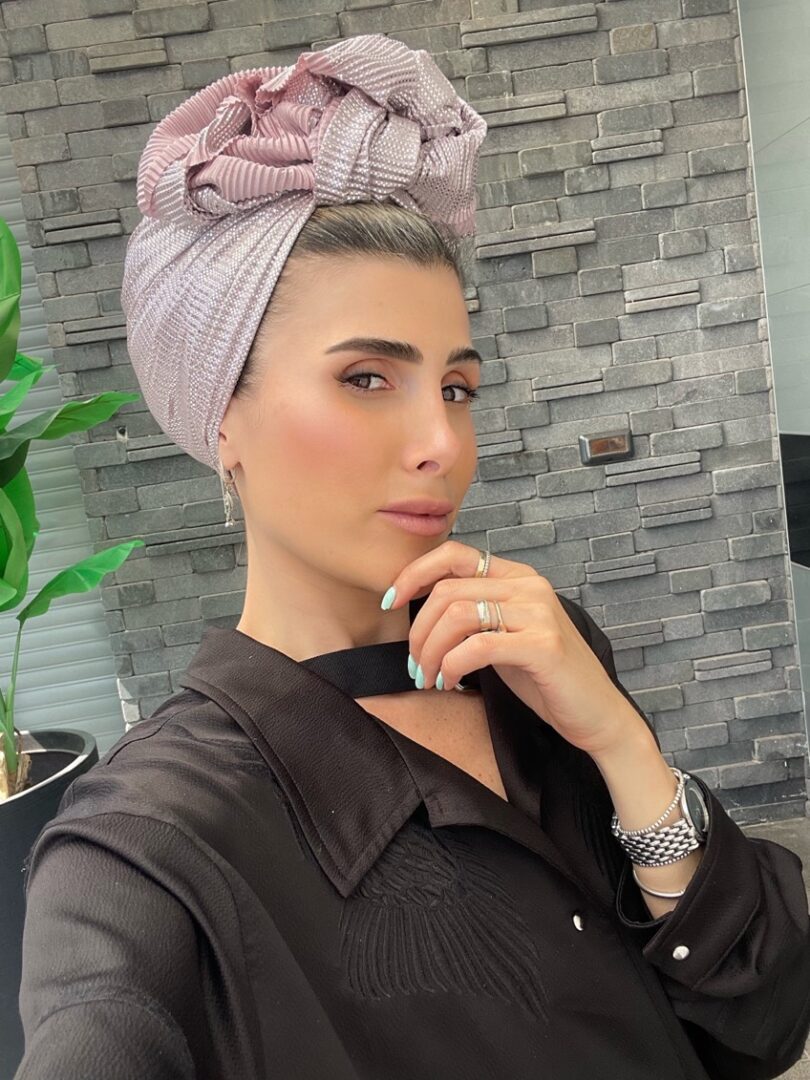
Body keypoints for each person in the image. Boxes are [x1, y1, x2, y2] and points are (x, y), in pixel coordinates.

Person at [14, 32, 810, 1080]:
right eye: (366, 379)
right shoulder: (150, 849)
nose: (442, 441)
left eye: (457, 387)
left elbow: (767, 1018)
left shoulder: (538, 654)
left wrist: (624, 750)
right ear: (221, 420)